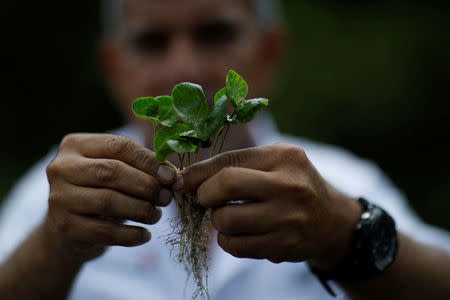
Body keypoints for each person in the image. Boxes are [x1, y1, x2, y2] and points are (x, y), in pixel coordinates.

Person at [0, 0, 449, 299]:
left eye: (214, 34)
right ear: (115, 66)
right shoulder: (59, 189)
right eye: (152, 41)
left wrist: (343, 231)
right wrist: (53, 247)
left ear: (270, 51)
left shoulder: (341, 184)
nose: (185, 69)